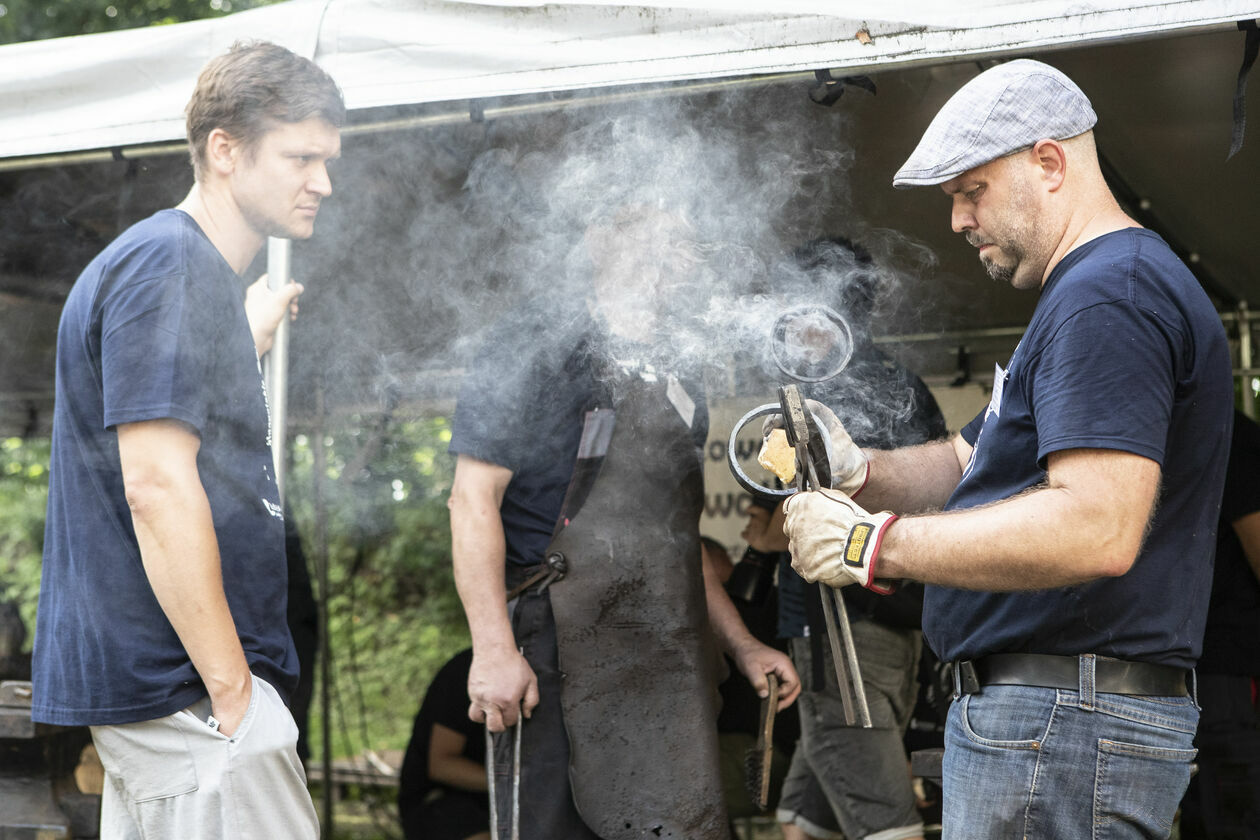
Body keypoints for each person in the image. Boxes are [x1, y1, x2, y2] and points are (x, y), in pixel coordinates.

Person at [782, 59, 1233, 839]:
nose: (957, 220)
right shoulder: (1090, 291)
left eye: (971, 190)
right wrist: (862, 471)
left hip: (1064, 721)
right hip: (1063, 719)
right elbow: (966, 463)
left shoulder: (1108, 295)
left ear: (1049, 162)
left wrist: (870, 543)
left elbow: (1096, 526)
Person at [31, 41, 344, 839]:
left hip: (179, 698)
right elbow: (156, 483)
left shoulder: (178, 271)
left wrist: (246, 337)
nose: (324, 182)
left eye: (327, 158)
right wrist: (234, 692)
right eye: (301, 157)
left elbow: (167, 411)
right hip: (190, 697)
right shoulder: (169, 264)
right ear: (225, 150)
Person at [447, 203, 800, 840]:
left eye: (690, 243)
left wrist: (742, 643)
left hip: (669, 652)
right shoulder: (535, 343)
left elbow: (674, 539)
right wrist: (494, 650)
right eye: (671, 238)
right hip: (555, 644)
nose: (687, 258)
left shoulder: (681, 365)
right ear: (606, 237)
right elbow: (471, 500)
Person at [743, 238, 945, 840]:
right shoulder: (902, 383)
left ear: (824, 306)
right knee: (803, 819)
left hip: (841, 634)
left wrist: (780, 533)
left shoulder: (824, 396)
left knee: (888, 826)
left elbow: (781, 525)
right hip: (898, 620)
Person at [1179, 409, 1260, 839]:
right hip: (1228, 662)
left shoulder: (1179, 431)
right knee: (1234, 810)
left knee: (1204, 807)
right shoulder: (1236, 436)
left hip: (1185, 657)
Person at [398, 648, 490, 840]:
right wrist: (519, 783)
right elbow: (441, 765)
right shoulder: (465, 671)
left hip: (493, 800)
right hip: (437, 800)